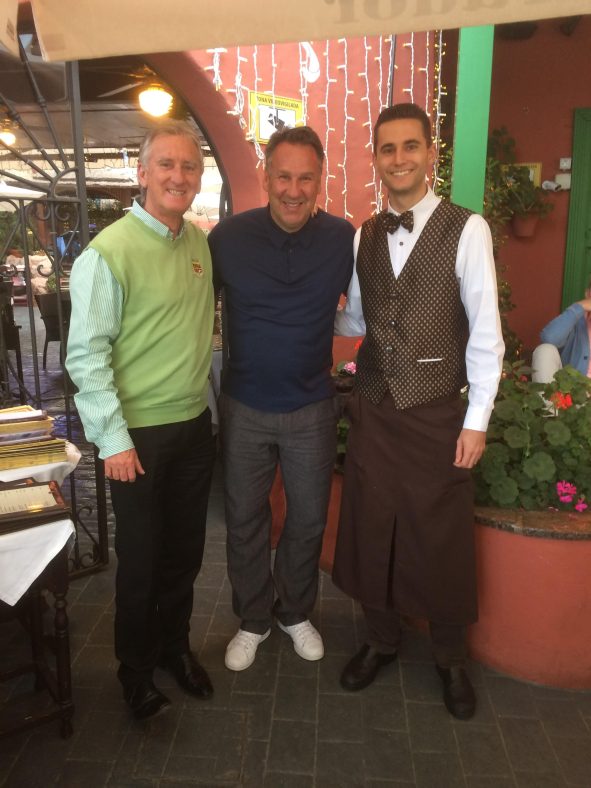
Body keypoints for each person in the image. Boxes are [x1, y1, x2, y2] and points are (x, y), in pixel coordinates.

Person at [333, 103, 504, 720]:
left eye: (411, 146)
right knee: (371, 523)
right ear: (376, 159)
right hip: (376, 406)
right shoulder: (364, 235)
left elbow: (485, 332)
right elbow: (357, 319)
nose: (399, 158)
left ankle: (451, 658)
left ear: (431, 154)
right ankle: (381, 639)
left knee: (441, 533)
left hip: (436, 411)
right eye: (387, 148)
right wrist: (307, 312)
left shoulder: (468, 229)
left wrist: (477, 419)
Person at [66, 120, 216, 720]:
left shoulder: (198, 242)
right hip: (138, 437)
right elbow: (87, 355)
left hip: (194, 426)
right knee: (142, 560)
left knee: (185, 554)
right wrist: (113, 440)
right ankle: (135, 669)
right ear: (143, 172)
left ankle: (175, 649)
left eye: (189, 166)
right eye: (167, 165)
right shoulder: (108, 252)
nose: (179, 176)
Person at [208, 126, 354, 672]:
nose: (294, 190)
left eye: (306, 178)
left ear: (320, 179)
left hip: (312, 404)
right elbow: (190, 306)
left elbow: (368, 304)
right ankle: (252, 619)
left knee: (309, 518)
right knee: (245, 518)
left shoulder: (342, 238)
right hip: (244, 404)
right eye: (284, 177)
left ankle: (293, 611)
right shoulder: (227, 238)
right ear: (266, 176)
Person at [532, 280, 591, 383]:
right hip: (571, 389)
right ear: (587, 294)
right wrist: (579, 306)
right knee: (545, 350)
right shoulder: (575, 321)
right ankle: (548, 394)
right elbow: (549, 338)